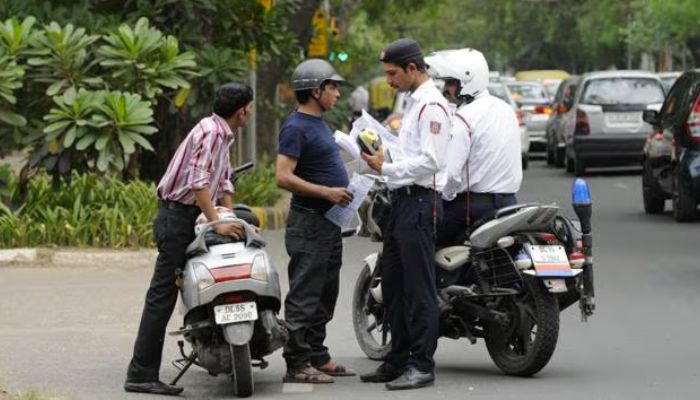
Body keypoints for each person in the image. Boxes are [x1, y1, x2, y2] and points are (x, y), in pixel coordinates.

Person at [124, 83, 253, 395]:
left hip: (187, 215)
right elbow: (198, 182)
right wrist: (216, 224)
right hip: (176, 218)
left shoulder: (222, 133)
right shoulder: (210, 132)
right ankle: (141, 374)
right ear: (243, 110)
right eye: (249, 107)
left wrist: (228, 216)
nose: (250, 111)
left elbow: (222, 178)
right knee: (162, 295)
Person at [359, 38, 451, 391]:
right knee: (393, 285)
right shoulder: (413, 104)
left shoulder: (432, 107)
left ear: (413, 68)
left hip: (420, 202)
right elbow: (409, 150)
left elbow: (432, 161)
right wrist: (383, 151)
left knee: (418, 288)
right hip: (401, 202)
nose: (389, 80)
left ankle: (421, 365)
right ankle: (396, 360)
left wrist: (387, 168)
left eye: (393, 73)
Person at [275, 58, 355, 384]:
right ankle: (296, 363)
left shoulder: (319, 123)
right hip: (308, 223)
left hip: (328, 223)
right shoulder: (295, 127)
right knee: (305, 294)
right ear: (315, 90)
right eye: (332, 87)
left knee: (326, 292)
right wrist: (327, 192)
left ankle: (317, 354)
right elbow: (282, 177)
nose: (336, 93)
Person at [436, 48, 523, 246]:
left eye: (451, 83)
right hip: (510, 204)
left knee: (423, 241)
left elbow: (451, 174)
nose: (445, 89)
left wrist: (445, 196)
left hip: (471, 207)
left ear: (466, 82)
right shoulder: (506, 109)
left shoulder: (464, 117)